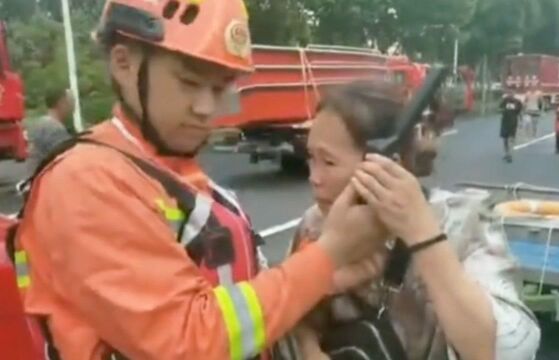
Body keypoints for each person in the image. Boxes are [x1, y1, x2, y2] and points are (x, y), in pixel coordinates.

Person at [9, 1, 389, 359]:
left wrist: (326, 279)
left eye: (221, 87)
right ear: (124, 65)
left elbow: (231, 299)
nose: (206, 108)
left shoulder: (163, 165)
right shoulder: (87, 182)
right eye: (189, 83)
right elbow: (190, 340)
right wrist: (328, 255)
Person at [287, 81, 540, 360]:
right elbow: (288, 318)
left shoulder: (462, 224)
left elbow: (508, 349)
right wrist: (309, 349)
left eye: (329, 162)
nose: (314, 177)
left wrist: (421, 232)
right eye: (311, 158)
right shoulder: (315, 224)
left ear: (386, 163)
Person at [26, 87, 73, 172]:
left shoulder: (39, 123)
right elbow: (64, 161)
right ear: (61, 103)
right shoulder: (55, 129)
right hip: (45, 178)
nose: (72, 106)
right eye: (70, 101)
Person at [499, 90, 523, 163]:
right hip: (505, 122)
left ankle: (510, 154)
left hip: (513, 122)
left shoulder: (517, 102)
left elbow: (519, 112)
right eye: (509, 94)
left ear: (514, 95)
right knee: (505, 139)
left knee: (511, 138)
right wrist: (502, 111)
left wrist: (521, 121)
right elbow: (499, 108)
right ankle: (507, 153)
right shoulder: (505, 101)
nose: (510, 95)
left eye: (512, 94)